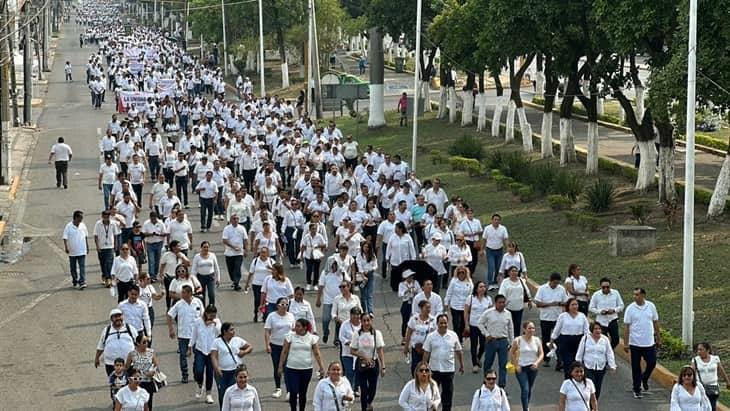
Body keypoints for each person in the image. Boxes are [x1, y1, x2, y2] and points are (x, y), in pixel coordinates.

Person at [278, 318, 325, 411]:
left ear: (304, 327)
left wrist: (321, 367)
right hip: (292, 368)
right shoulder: (290, 336)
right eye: (296, 325)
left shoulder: (311, 338)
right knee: (293, 391)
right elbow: (284, 351)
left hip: (306, 369)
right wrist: (280, 366)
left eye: (298, 326)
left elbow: (317, 353)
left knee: (303, 392)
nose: (296, 328)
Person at [623, 287, 661, 399]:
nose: (635, 297)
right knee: (636, 367)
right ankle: (636, 388)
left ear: (643, 295)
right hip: (635, 343)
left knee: (652, 362)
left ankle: (644, 378)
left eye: (637, 295)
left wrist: (658, 338)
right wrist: (626, 343)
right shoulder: (630, 308)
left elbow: (655, 322)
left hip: (649, 342)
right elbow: (626, 327)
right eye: (634, 295)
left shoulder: (651, 306)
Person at [423, 313, 464, 411]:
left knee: (447, 394)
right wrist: (424, 367)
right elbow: (426, 353)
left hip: (448, 370)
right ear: (437, 324)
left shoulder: (453, 335)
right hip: (434, 370)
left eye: (445, 323)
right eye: (441, 323)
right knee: (432, 395)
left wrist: (462, 365)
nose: (443, 325)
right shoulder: (431, 337)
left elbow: (458, 351)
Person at [166, 285, 205, 384]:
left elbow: (203, 316)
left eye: (184, 292)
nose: (182, 294)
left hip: (196, 335)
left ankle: (197, 372)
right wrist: (171, 329)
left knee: (198, 355)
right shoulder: (179, 304)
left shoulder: (198, 302)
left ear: (189, 293)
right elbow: (170, 315)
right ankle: (185, 374)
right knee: (183, 355)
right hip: (183, 335)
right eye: (181, 292)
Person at [212, 322, 253, 406]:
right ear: (224, 331)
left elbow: (250, 347)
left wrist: (244, 352)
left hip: (235, 372)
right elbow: (213, 356)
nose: (233, 331)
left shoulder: (237, 340)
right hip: (222, 372)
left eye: (233, 329)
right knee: (223, 393)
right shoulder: (217, 342)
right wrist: (217, 368)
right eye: (231, 330)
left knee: (233, 393)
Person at [350, 313, 386, 411]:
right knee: (364, 390)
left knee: (372, 389)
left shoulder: (376, 334)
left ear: (371, 321)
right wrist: (363, 356)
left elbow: (380, 350)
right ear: (361, 322)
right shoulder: (357, 334)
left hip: (373, 364)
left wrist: (383, 366)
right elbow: (352, 350)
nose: (366, 323)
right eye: (364, 320)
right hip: (361, 364)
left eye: (368, 320)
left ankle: (369, 403)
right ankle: (364, 408)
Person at [476, 294, 513, 389]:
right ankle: (486, 384)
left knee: (503, 365)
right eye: (500, 302)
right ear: (495, 303)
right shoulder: (488, 313)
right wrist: (486, 334)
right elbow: (479, 323)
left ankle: (502, 386)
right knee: (488, 363)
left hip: (503, 341)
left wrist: (511, 342)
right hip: (491, 341)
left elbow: (510, 328)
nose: (502, 304)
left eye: (503, 302)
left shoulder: (508, 314)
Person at [533, 272, 568, 368]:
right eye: (554, 283)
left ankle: (559, 360)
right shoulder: (542, 288)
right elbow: (537, 303)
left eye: (557, 283)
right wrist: (550, 304)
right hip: (545, 318)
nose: (556, 285)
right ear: (550, 281)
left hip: (558, 318)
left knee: (559, 340)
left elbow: (566, 302)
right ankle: (546, 359)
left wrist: (560, 303)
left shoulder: (561, 289)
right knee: (546, 339)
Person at [264, 297, 296, 399]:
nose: (285, 306)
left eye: (286, 305)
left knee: (287, 368)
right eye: (282, 304)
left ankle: (289, 391)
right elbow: (267, 331)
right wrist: (267, 344)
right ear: (277, 305)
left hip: (288, 345)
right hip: (275, 345)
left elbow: (294, 330)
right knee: (278, 366)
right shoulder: (272, 316)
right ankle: (278, 388)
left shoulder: (291, 316)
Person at [551, 298, 590, 380]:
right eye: (572, 304)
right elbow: (557, 329)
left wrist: (588, 342)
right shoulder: (563, 316)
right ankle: (568, 381)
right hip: (565, 341)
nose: (575, 306)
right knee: (568, 364)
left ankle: (577, 381)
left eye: (576, 304)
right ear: (568, 306)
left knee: (577, 363)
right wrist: (552, 340)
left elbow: (587, 331)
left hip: (578, 341)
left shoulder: (582, 316)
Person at [575, 322, 616, 399]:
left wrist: (612, 366)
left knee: (597, 388)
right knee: (591, 385)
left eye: (599, 329)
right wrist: (578, 365)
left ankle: (594, 404)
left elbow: (609, 353)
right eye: (595, 329)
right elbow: (580, 352)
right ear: (591, 330)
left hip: (600, 368)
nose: (598, 331)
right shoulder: (585, 338)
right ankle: (588, 404)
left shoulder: (605, 339)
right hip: (588, 367)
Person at [190, 305, 221, 404]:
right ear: (206, 313)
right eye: (210, 315)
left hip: (211, 351)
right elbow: (194, 335)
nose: (212, 317)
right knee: (198, 370)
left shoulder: (217, 322)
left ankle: (208, 394)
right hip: (200, 350)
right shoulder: (198, 322)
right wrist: (190, 346)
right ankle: (199, 384)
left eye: (214, 315)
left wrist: (213, 323)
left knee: (209, 372)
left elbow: (219, 333)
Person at [510, 321, 544, 411]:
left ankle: (526, 405)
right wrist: (516, 365)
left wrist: (537, 363)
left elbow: (541, 353)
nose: (531, 330)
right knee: (525, 389)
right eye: (529, 328)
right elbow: (512, 353)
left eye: (533, 328)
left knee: (529, 389)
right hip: (521, 368)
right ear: (524, 329)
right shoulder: (518, 340)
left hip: (533, 368)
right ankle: (525, 408)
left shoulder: (537, 340)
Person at [96, 308, 138, 375]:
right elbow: (101, 346)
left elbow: (139, 343)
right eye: (115, 317)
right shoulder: (107, 330)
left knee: (131, 383)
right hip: (111, 364)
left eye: (119, 316)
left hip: (129, 363)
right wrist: (97, 358)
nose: (118, 318)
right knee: (115, 384)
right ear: (111, 319)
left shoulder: (130, 328)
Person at [125, 334, 159, 410]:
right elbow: (126, 368)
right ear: (137, 343)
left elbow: (156, 365)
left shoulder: (151, 352)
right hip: (137, 383)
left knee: (148, 403)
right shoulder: (132, 354)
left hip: (148, 382)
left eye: (147, 342)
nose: (146, 344)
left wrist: (152, 372)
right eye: (144, 342)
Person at [464, 281, 492, 373]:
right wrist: (466, 324)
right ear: (476, 288)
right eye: (480, 287)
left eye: (484, 286)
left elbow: (491, 313)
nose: (482, 288)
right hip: (473, 325)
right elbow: (466, 312)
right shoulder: (471, 298)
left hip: (484, 326)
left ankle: (478, 358)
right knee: (474, 345)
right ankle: (475, 364)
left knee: (483, 345)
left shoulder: (488, 299)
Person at [692, 342, 730, 411]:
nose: (699, 352)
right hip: (700, 387)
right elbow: (692, 373)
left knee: (712, 406)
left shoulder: (715, 359)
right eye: (698, 350)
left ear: (707, 350)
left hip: (713, 387)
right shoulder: (695, 360)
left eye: (701, 350)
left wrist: (728, 382)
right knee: (701, 407)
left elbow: (722, 371)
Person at [588, 277, 624, 349]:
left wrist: (614, 310)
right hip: (601, 321)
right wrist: (600, 311)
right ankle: (606, 354)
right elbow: (591, 308)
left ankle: (608, 352)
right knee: (604, 340)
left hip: (613, 320)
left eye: (607, 287)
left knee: (616, 339)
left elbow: (621, 306)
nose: (606, 289)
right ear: (601, 287)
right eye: (603, 287)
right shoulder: (596, 295)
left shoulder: (615, 293)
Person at [498, 266, 532, 339]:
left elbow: (526, 291)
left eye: (516, 271)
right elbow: (501, 294)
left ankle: (516, 342)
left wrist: (530, 300)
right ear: (509, 273)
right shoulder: (505, 282)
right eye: (512, 271)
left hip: (519, 307)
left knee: (517, 325)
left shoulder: (521, 281)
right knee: (509, 326)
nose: (514, 273)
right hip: (508, 308)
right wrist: (501, 304)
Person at [403, 300, 436, 376]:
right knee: (415, 367)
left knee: (426, 368)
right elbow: (409, 332)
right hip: (416, 348)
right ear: (421, 308)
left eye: (429, 308)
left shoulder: (433, 320)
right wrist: (406, 346)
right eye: (426, 308)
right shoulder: (414, 319)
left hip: (428, 350)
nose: (428, 309)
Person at [243, 247, 275, 322]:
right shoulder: (255, 261)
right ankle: (256, 313)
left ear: (267, 253)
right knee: (257, 300)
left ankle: (264, 315)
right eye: (261, 252)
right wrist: (247, 284)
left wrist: (270, 268)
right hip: (257, 284)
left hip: (267, 284)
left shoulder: (271, 261)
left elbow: (277, 271)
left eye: (264, 252)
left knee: (265, 301)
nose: (263, 254)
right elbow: (251, 273)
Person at [444, 266, 474, 343]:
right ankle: (457, 339)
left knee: (463, 324)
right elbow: (449, 292)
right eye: (459, 272)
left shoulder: (469, 282)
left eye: (463, 273)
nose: (461, 274)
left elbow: (471, 295)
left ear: (465, 273)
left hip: (465, 307)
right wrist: (446, 302)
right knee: (456, 323)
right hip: (455, 306)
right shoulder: (454, 281)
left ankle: (460, 337)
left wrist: (471, 305)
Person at [480, 214, 508, 290]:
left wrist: (508, 249)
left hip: (499, 250)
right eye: (495, 219)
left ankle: (495, 282)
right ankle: (490, 283)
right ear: (492, 220)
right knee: (491, 267)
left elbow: (505, 239)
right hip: (490, 250)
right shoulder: (487, 228)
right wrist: (482, 249)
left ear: (500, 221)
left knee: (498, 267)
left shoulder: (503, 229)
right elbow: (484, 239)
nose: (496, 221)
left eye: (498, 220)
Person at [338, 306, 362, 394]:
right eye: (354, 314)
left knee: (358, 372)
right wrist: (348, 342)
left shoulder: (362, 325)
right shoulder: (345, 324)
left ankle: (355, 388)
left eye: (358, 315)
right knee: (349, 372)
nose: (356, 317)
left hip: (359, 354)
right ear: (350, 315)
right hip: (347, 353)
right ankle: (348, 390)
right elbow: (341, 336)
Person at [63, 210, 89, 289]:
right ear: (76, 217)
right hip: (72, 251)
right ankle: (75, 279)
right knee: (73, 268)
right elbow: (65, 237)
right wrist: (66, 247)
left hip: (82, 250)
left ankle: (82, 282)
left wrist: (87, 246)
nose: (81, 219)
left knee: (82, 267)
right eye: (80, 218)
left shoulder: (83, 225)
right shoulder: (68, 226)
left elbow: (85, 236)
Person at [95, 210, 121, 287]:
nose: (106, 219)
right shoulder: (98, 224)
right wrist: (97, 246)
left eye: (107, 217)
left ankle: (108, 278)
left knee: (109, 263)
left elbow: (116, 235)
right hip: (101, 246)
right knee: (102, 263)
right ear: (102, 217)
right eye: (105, 217)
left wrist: (115, 245)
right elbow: (95, 236)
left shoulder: (113, 224)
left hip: (110, 246)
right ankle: (104, 275)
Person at [331, 280, 362, 346]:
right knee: (343, 344)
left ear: (349, 287)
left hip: (354, 323)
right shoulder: (337, 299)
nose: (341, 288)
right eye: (340, 287)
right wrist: (339, 321)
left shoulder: (355, 298)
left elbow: (361, 311)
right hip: (341, 324)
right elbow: (333, 313)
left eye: (343, 286)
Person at [191, 241, 221, 306]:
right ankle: (203, 309)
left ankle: (211, 308)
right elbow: (193, 270)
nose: (206, 249)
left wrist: (218, 279)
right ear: (201, 248)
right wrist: (194, 281)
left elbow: (216, 268)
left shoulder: (212, 255)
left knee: (211, 294)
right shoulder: (197, 257)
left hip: (211, 278)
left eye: (207, 247)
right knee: (201, 295)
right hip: (200, 278)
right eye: (204, 247)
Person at [355, 241, 378, 316]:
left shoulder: (372, 255)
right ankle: (363, 310)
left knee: (369, 294)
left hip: (370, 275)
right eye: (365, 247)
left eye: (367, 247)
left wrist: (371, 270)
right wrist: (363, 273)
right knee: (363, 294)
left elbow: (375, 265)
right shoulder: (359, 255)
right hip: (362, 276)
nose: (366, 248)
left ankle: (370, 311)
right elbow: (359, 265)